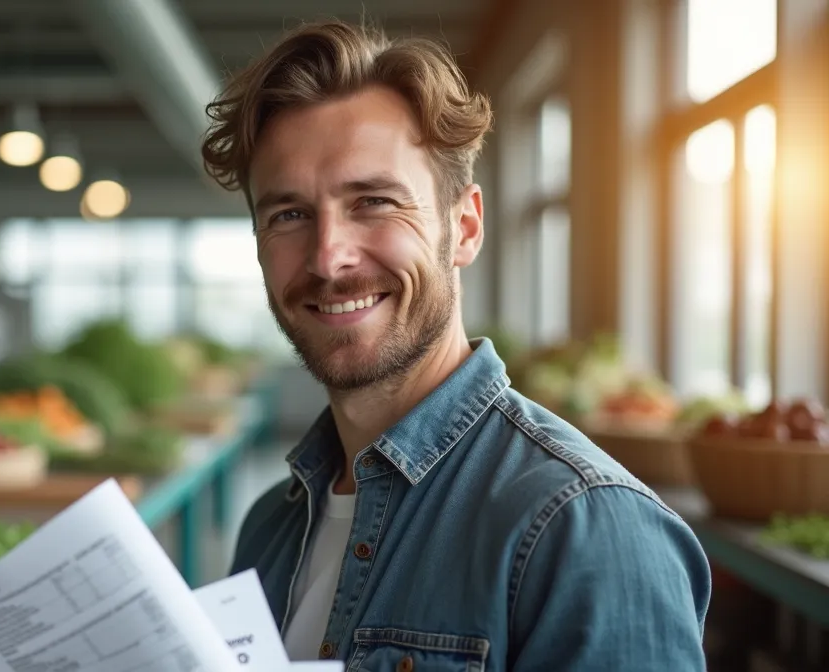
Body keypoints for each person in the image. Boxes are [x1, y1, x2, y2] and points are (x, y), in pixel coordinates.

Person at [200, 19, 711, 671]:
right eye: (289, 215)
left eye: (375, 202)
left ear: (463, 228)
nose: (328, 258)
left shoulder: (586, 530)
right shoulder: (270, 528)